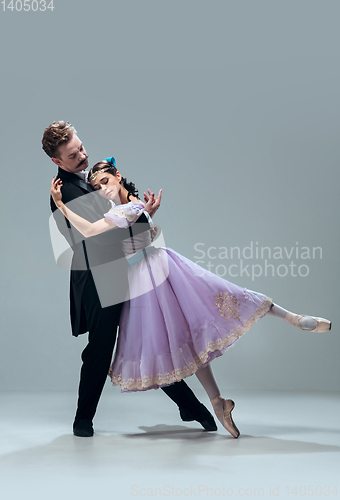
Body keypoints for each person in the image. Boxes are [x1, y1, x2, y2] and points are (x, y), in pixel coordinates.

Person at [50, 160, 331, 439]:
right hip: (154, 271)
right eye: (97, 187)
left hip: (148, 278)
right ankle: (218, 402)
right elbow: (131, 232)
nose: (103, 190)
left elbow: (89, 231)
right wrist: (146, 219)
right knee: (196, 327)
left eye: (106, 182)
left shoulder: (127, 208)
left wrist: (61, 205)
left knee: (217, 302)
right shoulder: (130, 205)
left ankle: (292, 319)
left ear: (118, 176)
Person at [43, 121, 217, 438]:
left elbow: (135, 211)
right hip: (99, 280)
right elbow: (85, 243)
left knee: (148, 339)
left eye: (81, 147)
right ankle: (83, 418)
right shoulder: (62, 192)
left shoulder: (102, 172)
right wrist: (135, 229)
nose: (82, 156)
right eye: (72, 155)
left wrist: (142, 212)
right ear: (57, 162)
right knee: (100, 348)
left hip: (132, 271)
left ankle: (189, 405)